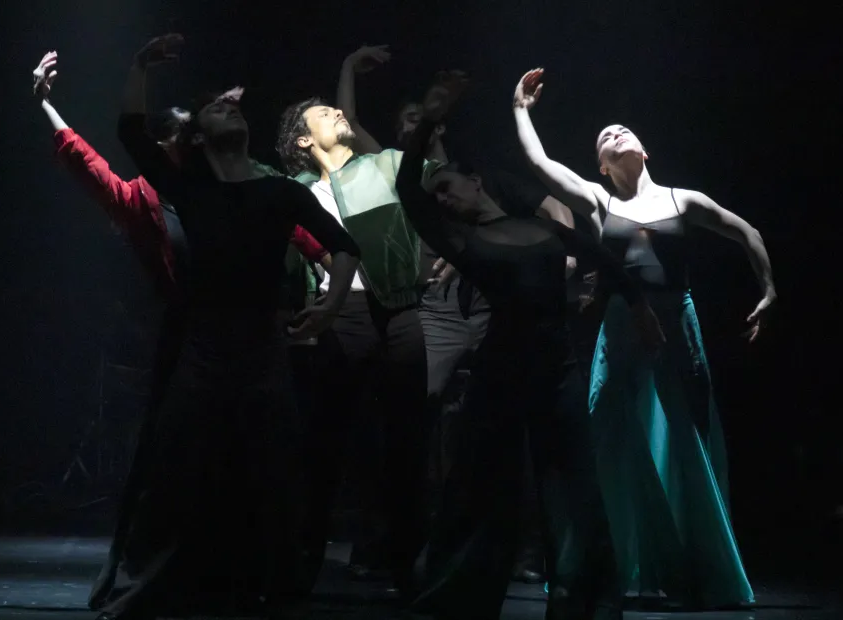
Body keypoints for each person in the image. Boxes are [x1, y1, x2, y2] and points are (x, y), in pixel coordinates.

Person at [30, 51, 332, 614]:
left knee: (252, 457)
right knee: (173, 460)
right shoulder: (145, 199)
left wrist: (329, 289)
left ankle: (244, 575)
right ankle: (154, 576)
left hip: (252, 336)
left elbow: (302, 231)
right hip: (189, 339)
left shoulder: (231, 191)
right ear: (172, 145)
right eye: (185, 137)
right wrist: (46, 105)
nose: (192, 144)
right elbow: (86, 160)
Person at [97, 33, 362, 620]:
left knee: (272, 467)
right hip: (203, 343)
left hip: (262, 344)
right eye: (217, 108)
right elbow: (129, 132)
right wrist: (140, 64)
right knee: (177, 465)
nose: (229, 108)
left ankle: (274, 589)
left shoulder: (278, 191)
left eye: (234, 106)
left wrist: (331, 302)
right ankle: (151, 587)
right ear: (198, 138)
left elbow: (344, 247)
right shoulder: (188, 189)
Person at [399, 73, 665, 620]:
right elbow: (408, 193)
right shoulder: (462, 240)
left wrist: (641, 310)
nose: (443, 199)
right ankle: (461, 594)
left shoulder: (539, 228)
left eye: (448, 186)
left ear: (476, 182)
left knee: (573, 486)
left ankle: (581, 597)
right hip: (501, 369)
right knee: (480, 485)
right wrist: (427, 121)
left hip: (557, 367)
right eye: (439, 197)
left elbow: (605, 259)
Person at [512, 67, 776, 609]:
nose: (616, 134)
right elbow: (539, 166)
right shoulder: (598, 201)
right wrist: (520, 110)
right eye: (605, 137)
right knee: (605, 431)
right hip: (620, 324)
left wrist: (770, 290)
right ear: (602, 167)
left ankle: (696, 567)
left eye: (624, 131)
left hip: (676, 320)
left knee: (685, 438)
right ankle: (597, 562)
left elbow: (747, 232)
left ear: (645, 151)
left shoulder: (686, 200)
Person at [340, 46, 578, 585]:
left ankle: (525, 549)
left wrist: (565, 258)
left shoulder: (481, 180)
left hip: (498, 305)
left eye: (418, 119)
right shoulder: (404, 179)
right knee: (415, 411)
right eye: (405, 122)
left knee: (518, 422)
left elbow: (553, 210)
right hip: (437, 307)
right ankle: (405, 539)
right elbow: (354, 128)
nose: (412, 128)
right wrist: (353, 71)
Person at [275, 52, 446, 591]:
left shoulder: (381, 164)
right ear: (303, 140)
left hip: (398, 309)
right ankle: (302, 559)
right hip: (338, 313)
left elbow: (428, 173)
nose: (337, 115)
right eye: (323, 114)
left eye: (336, 109)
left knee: (407, 438)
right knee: (324, 439)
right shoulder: (296, 191)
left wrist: (437, 113)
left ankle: (403, 562)